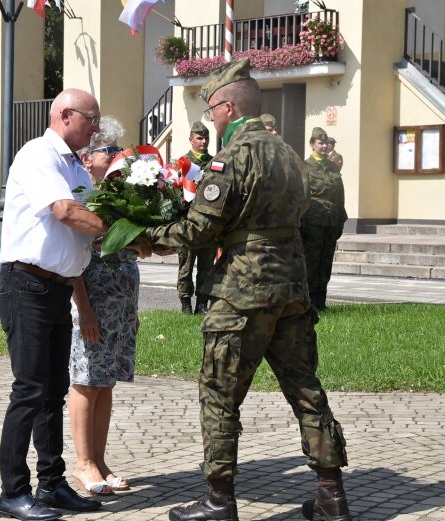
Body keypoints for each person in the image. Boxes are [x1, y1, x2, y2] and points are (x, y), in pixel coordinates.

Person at [138, 59, 351, 521]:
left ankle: (219, 502)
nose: (210, 117)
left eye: (211, 108)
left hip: (243, 293)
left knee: (218, 392)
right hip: (292, 289)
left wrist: (142, 237)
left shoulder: (230, 158)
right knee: (306, 389)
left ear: (228, 106)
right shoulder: (292, 156)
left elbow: (198, 230)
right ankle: (332, 498)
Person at [0, 88, 110, 521]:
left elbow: (78, 236)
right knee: (29, 390)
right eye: (91, 118)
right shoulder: (37, 154)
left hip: (58, 287)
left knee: (53, 393)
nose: (95, 127)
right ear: (65, 115)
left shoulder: (72, 165)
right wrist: (119, 232)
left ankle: (52, 484)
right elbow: (65, 212)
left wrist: (82, 299)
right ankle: (13, 493)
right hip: (26, 285)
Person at [68, 117, 135, 497]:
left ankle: (100, 459)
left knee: (105, 382)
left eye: (116, 150)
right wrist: (86, 310)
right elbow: (77, 259)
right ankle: (83, 463)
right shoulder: (81, 194)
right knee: (86, 379)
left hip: (119, 305)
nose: (114, 156)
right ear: (87, 157)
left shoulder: (119, 194)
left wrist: (131, 310)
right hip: (90, 302)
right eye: (106, 150)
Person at [300, 128, 347, 311]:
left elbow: (340, 195)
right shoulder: (304, 167)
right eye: (320, 143)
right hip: (312, 223)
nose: (324, 146)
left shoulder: (333, 167)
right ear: (312, 144)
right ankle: (310, 301)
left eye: (326, 143)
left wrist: (341, 220)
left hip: (331, 221)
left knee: (326, 262)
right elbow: (302, 197)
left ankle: (322, 299)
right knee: (311, 262)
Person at [177, 121, 215, 315]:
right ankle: (185, 303)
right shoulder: (183, 163)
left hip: (208, 222)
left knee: (207, 265)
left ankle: (202, 303)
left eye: (206, 137)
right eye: (199, 138)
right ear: (191, 139)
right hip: (188, 222)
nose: (203, 141)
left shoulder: (215, 162)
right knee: (186, 264)